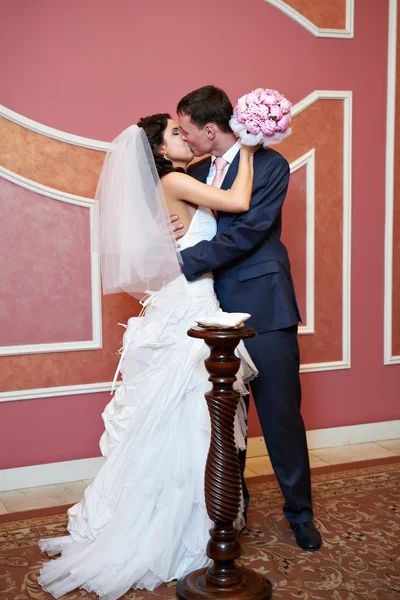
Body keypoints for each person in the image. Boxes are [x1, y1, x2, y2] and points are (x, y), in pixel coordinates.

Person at [38, 115, 259, 600]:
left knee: (182, 416)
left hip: (180, 296)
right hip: (192, 300)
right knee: (190, 415)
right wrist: (244, 147)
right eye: (176, 134)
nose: (186, 136)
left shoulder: (169, 183)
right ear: (158, 150)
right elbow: (240, 203)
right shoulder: (176, 178)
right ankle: (186, 528)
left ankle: (189, 516)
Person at [172, 85, 322, 552]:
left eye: (187, 130)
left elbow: (251, 231)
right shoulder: (193, 171)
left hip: (265, 303)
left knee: (280, 416)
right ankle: (230, 508)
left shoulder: (273, 165)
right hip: (210, 310)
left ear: (210, 129)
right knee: (223, 419)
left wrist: (184, 263)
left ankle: (300, 514)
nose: (184, 137)